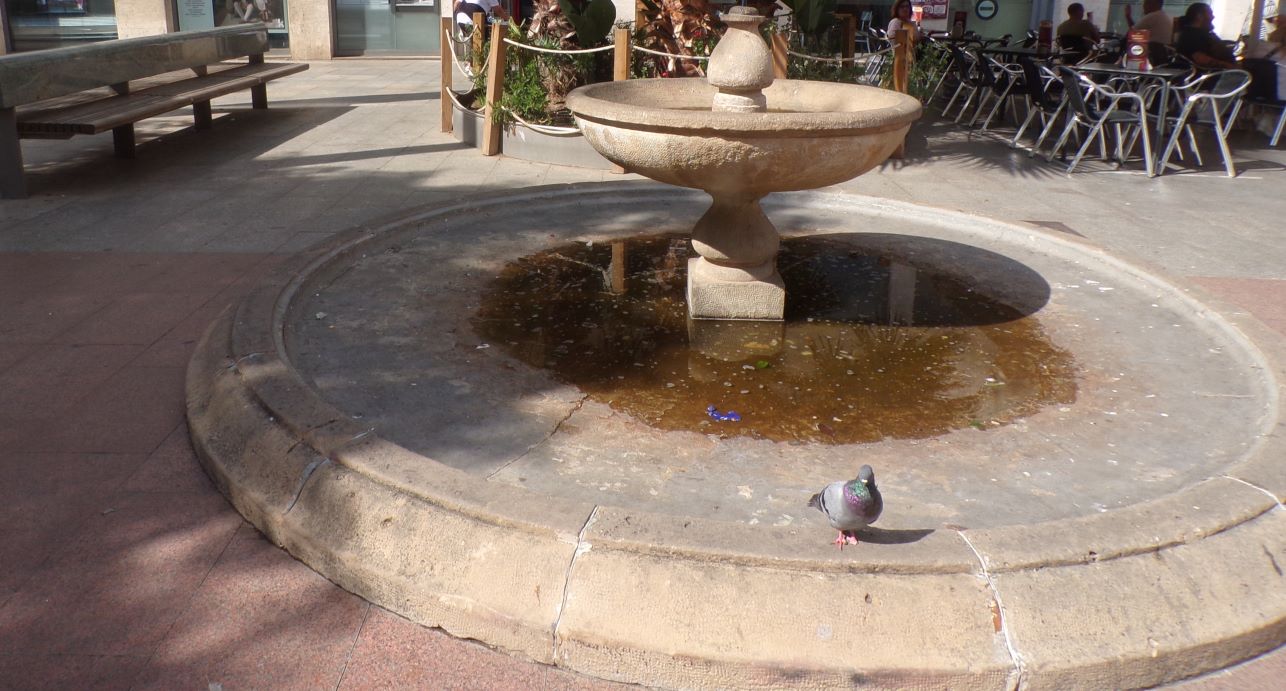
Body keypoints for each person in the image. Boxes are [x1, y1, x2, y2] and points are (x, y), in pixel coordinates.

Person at [1175, 3, 1237, 69]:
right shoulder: (1191, 35)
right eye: (1210, 14)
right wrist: (1231, 67)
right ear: (1200, 16)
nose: (1213, 17)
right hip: (1213, 73)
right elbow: (1201, 59)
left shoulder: (1200, 33)